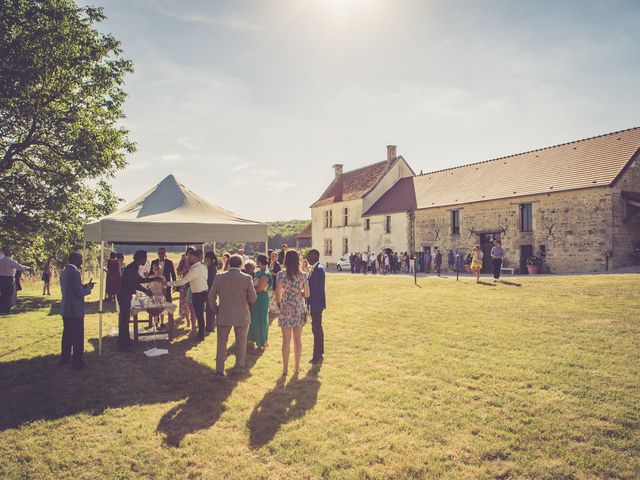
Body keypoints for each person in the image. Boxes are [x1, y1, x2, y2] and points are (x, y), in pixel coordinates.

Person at [208, 254, 257, 378]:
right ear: (241, 264)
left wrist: (215, 309)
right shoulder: (247, 278)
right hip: (241, 314)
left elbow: (211, 296)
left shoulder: (219, 277)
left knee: (221, 343)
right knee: (241, 342)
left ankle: (219, 370)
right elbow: (253, 298)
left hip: (224, 313)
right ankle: (239, 368)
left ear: (229, 263)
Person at [116, 250, 160, 352]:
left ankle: (125, 341)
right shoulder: (131, 269)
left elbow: (139, 280)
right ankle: (123, 344)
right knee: (124, 320)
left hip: (125, 295)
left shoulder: (134, 267)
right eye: (145, 257)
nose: (146, 260)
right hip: (124, 295)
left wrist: (154, 279)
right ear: (140, 258)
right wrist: (146, 291)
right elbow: (135, 284)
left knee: (125, 319)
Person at [276, 249, 310, 376]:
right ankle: (297, 367)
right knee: (298, 340)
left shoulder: (280, 274)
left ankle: (285, 369)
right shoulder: (303, 275)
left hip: (286, 308)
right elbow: (307, 294)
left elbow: (278, 295)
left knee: (286, 340)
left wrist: (281, 305)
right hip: (299, 308)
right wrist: (298, 293)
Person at [59, 252, 94, 369]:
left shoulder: (64, 271)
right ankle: (77, 361)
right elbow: (78, 292)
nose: (82, 261)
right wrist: (88, 288)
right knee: (78, 337)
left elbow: (72, 288)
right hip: (75, 310)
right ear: (74, 259)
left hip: (66, 308)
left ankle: (65, 358)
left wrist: (84, 286)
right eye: (80, 259)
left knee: (67, 335)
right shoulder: (75, 272)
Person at [168, 249, 209, 341]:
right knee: (199, 314)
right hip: (202, 291)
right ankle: (200, 333)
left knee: (199, 314)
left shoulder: (195, 269)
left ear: (196, 258)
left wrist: (167, 283)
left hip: (198, 293)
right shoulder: (202, 266)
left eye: (190, 257)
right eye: (188, 257)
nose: (188, 259)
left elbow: (182, 281)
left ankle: (200, 335)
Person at [306, 249, 326, 365]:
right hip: (314, 302)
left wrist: (305, 291)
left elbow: (316, 288)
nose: (308, 258)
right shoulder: (315, 268)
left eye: (310, 256)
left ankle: (317, 356)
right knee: (317, 329)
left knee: (317, 329)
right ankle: (320, 352)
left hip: (316, 303)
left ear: (316, 257)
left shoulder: (318, 269)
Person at [248, 254, 271, 350]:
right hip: (256, 298)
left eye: (257, 261)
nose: (256, 263)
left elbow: (261, 288)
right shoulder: (259, 272)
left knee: (261, 319)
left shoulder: (265, 273)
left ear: (260, 262)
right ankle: (255, 338)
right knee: (255, 319)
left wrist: (250, 290)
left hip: (261, 298)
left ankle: (262, 341)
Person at [0, 247, 31, 314]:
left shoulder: (0, 260)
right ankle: (6, 309)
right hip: (8, 279)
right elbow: (20, 267)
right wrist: (28, 268)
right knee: (8, 294)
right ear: (9, 253)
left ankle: (2, 308)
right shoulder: (11, 261)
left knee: (3, 293)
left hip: (1, 278)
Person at [176, 248, 194, 334]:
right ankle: (188, 321)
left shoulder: (195, 262)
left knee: (193, 304)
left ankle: (193, 322)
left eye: (192, 254)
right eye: (189, 253)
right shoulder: (182, 261)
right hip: (184, 285)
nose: (190, 255)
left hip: (193, 284)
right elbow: (178, 273)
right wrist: (185, 270)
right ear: (186, 254)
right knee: (184, 304)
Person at [204, 251, 218, 332]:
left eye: (206, 258)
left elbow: (211, 280)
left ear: (209, 258)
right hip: (209, 289)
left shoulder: (211, 267)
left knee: (210, 308)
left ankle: (210, 326)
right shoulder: (210, 266)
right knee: (209, 309)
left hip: (210, 290)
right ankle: (209, 325)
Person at [268, 251, 281, 317]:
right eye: (271, 256)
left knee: (275, 297)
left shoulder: (277, 264)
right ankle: (271, 310)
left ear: (276, 257)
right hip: (270, 282)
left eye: (274, 256)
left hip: (275, 283)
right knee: (270, 297)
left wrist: (274, 274)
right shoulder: (269, 263)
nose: (272, 257)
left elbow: (279, 274)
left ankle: (276, 311)